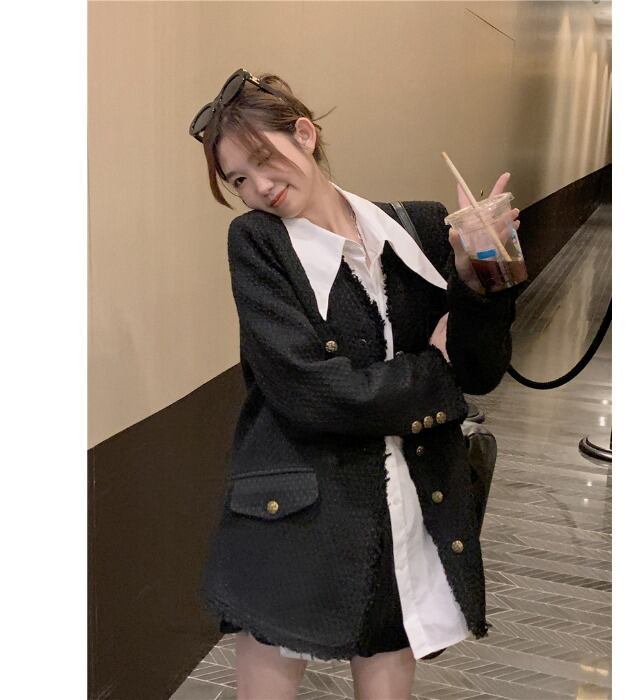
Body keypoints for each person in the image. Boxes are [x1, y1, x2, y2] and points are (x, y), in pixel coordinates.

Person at [189, 68, 520, 700]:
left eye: (263, 159)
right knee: (272, 667)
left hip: (410, 498)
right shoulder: (258, 243)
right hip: (296, 509)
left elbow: (479, 372)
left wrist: (484, 273)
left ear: (305, 134)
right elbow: (316, 395)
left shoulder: (421, 227)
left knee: (389, 660)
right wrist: (433, 368)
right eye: (238, 179)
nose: (259, 187)